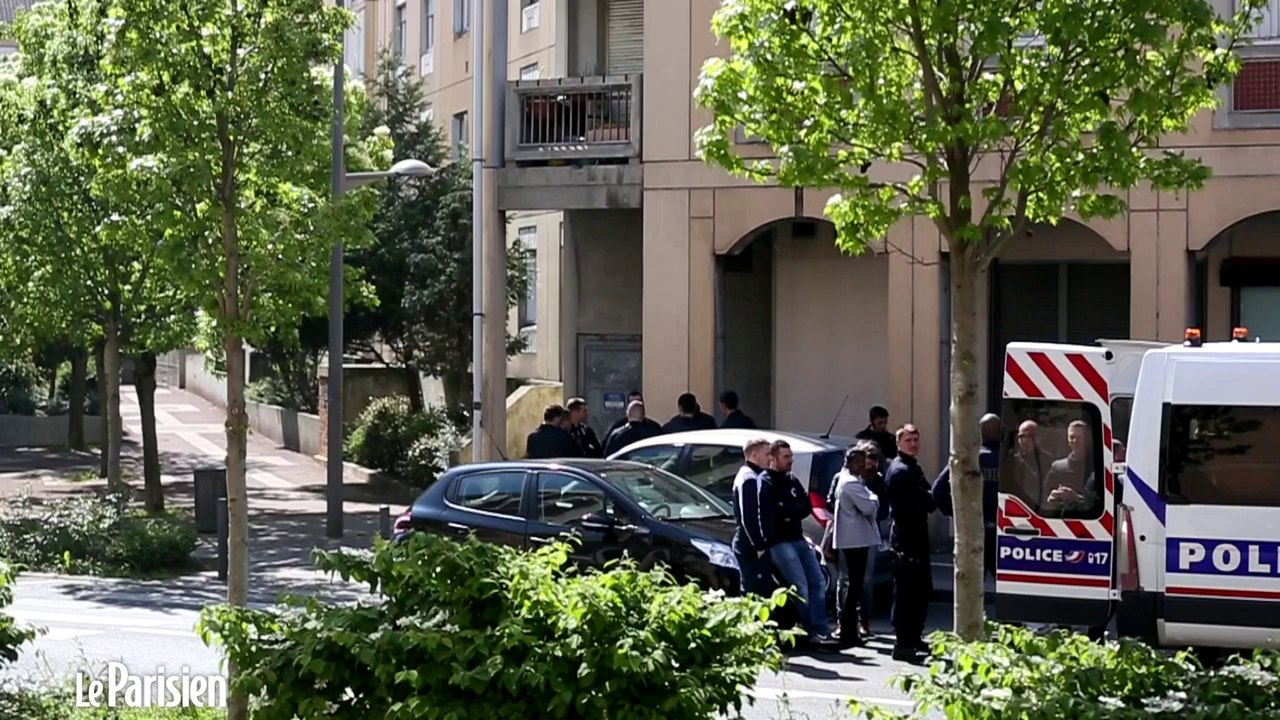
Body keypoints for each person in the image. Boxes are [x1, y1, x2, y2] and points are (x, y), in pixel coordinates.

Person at [763, 440, 837, 646]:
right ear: (773, 458)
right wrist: (788, 511)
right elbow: (774, 511)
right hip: (780, 541)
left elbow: (805, 508)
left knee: (818, 581)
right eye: (786, 457)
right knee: (800, 586)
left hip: (798, 537)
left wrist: (789, 511)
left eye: (791, 457)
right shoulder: (766, 482)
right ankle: (808, 627)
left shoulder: (792, 480)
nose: (790, 461)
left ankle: (820, 629)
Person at [885, 423, 935, 662]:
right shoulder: (900, 470)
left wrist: (929, 497)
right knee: (906, 591)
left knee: (921, 590)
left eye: (916, 439)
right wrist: (928, 498)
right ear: (898, 443)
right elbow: (920, 503)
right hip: (906, 537)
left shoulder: (913, 467)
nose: (914, 444)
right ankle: (903, 642)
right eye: (908, 440)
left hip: (917, 534)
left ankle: (914, 636)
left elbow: (928, 496)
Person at [932, 413, 1002, 578]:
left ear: (979, 432)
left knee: (971, 585)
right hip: (1002, 532)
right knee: (1005, 587)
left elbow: (938, 491)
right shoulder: (1010, 459)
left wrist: (957, 513)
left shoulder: (968, 458)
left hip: (972, 529)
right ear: (1001, 432)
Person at [830, 443, 882, 647]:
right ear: (850, 463)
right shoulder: (850, 482)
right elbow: (869, 507)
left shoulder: (852, 480)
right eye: (859, 462)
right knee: (854, 586)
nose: (863, 465)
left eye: (864, 461)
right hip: (855, 540)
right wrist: (874, 498)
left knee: (854, 585)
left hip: (854, 539)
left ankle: (849, 628)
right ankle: (847, 629)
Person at [731, 438, 778, 598]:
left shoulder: (757, 476)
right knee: (753, 591)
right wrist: (758, 545)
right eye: (767, 454)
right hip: (750, 544)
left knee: (763, 589)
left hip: (757, 543)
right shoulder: (748, 478)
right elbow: (749, 516)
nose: (770, 458)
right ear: (754, 455)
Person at [1043, 420, 1097, 513]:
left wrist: (1076, 498)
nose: (1075, 441)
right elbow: (1043, 497)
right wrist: (1052, 498)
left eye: (1080, 437)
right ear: (1068, 440)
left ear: (1087, 439)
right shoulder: (1057, 468)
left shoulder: (1097, 468)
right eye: (1072, 437)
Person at [1011, 420, 1054, 506]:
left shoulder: (1048, 460)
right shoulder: (1013, 460)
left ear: (1038, 437)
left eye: (1029, 436)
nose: (1024, 440)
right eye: (1021, 436)